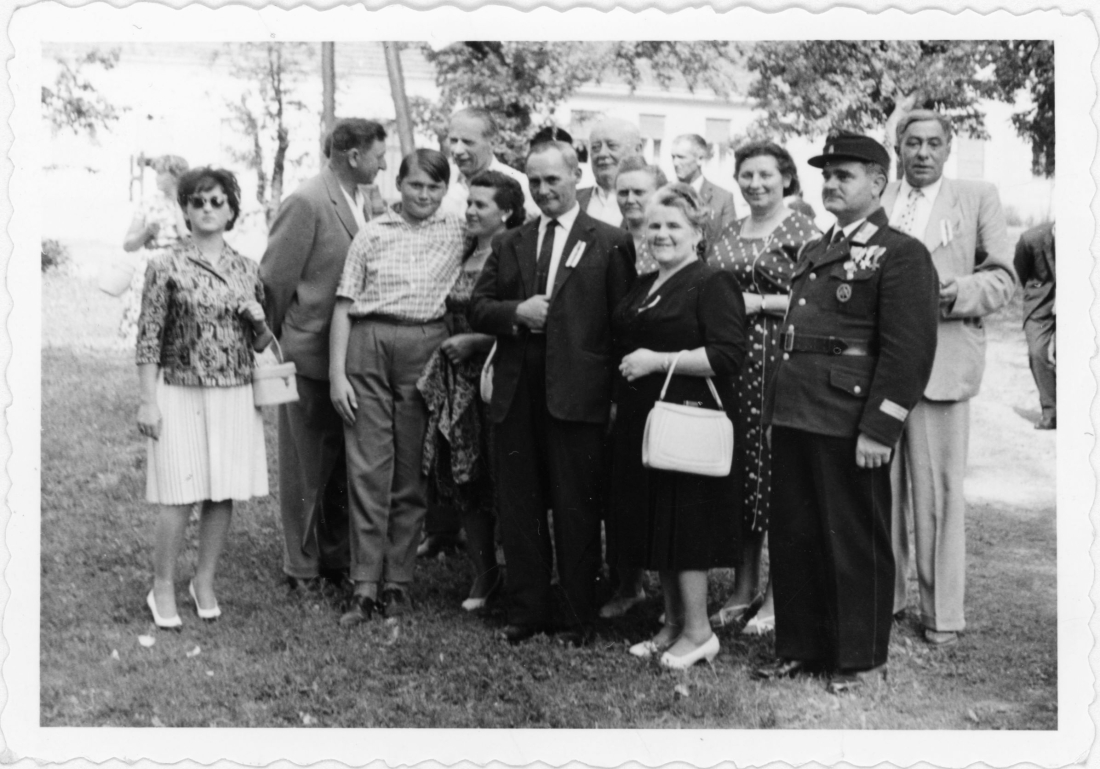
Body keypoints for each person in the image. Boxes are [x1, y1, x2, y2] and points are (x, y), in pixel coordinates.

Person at [754, 131, 938, 693]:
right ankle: (802, 646)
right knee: (795, 534)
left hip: (849, 416)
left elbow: (908, 351)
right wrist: (773, 414)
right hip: (797, 410)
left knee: (852, 538)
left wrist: (881, 426)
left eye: (845, 175)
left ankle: (859, 657)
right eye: (826, 175)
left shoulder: (902, 253)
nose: (830, 184)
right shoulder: (816, 247)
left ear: (878, 183)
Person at [468, 139, 636, 645]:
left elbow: (620, 325)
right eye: (534, 182)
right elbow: (479, 307)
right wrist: (515, 313)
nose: (543, 191)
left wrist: (611, 399)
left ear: (575, 175)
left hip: (578, 393)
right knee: (519, 503)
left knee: (575, 505)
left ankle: (577, 611)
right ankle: (527, 608)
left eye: (553, 180)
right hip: (518, 390)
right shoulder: (511, 242)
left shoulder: (609, 241)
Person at [883, 109, 1017, 646]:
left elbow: (1003, 277)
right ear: (897, 148)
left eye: (932, 143)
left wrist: (956, 293)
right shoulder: (882, 196)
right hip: (880, 366)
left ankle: (943, 614)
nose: (921, 153)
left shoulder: (977, 196)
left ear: (947, 147)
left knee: (939, 492)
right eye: (911, 143)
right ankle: (885, 600)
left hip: (944, 360)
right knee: (879, 491)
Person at [611, 184, 747, 668]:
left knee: (685, 527)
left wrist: (656, 361)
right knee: (659, 524)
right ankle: (671, 623)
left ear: (697, 232)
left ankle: (699, 631)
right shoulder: (648, 282)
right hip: (645, 422)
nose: (662, 234)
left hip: (687, 420)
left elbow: (728, 354)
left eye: (674, 226)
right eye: (655, 226)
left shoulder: (712, 282)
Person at [330, 149, 466, 624]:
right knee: (369, 466)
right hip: (368, 343)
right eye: (415, 185)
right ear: (399, 186)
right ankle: (364, 584)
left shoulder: (457, 229)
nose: (423, 195)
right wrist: (336, 375)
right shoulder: (372, 233)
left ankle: (398, 583)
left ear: (445, 190)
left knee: (413, 468)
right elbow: (345, 305)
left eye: (433, 187)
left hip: (425, 344)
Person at [136, 167, 274, 628]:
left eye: (217, 201)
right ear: (186, 211)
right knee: (178, 492)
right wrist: (147, 399)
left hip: (234, 391)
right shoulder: (165, 265)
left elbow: (261, 345)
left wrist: (258, 322)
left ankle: (204, 580)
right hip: (179, 388)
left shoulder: (247, 268)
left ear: (232, 210)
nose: (208, 209)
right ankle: (161, 586)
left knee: (222, 490)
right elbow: (149, 337)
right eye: (198, 202)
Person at [260, 118, 388, 598]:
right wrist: (275, 350)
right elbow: (274, 281)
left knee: (338, 465)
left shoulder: (364, 199)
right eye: (379, 154)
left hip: (349, 358)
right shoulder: (307, 200)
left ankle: (334, 555)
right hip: (307, 355)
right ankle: (301, 566)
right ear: (353, 156)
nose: (383, 163)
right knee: (304, 467)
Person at [706, 141, 819, 635]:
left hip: (777, 359)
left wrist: (758, 303)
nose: (755, 184)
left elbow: (812, 295)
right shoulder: (729, 229)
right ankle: (743, 585)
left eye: (766, 175)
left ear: (787, 179)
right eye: (747, 175)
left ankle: (778, 594)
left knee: (776, 474)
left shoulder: (803, 229)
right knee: (739, 473)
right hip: (731, 362)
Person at [417, 170, 526, 611]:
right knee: (465, 476)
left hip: (498, 375)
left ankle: (520, 574)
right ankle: (484, 576)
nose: (471, 211)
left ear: (508, 212)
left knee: (505, 478)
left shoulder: (516, 251)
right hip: (459, 380)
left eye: (481, 205)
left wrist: (478, 343)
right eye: (469, 203)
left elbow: (525, 321)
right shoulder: (464, 249)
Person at [594, 155, 667, 621]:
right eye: (623, 192)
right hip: (621, 377)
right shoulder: (610, 246)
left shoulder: (672, 241)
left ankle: (672, 590)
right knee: (621, 484)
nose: (631, 199)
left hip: (666, 375)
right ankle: (627, 580)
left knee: (664, 485)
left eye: (640, 191)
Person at [119, 155, 190, 347]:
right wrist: (146, 232)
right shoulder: (147, 203)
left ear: (176, 176)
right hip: (150, 265)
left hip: (181, 265)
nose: (156, 177)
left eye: (160, 173)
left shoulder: (191, 203)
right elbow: (128, 245)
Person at [438, 107, 539, 220]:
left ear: (494, 142)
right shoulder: (439, 182)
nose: (458, 150)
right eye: (453, 141)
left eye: (467, 142)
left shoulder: (521, 185)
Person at [1014, 220, 1056, 429]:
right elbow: (1020, 271)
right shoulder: (1031, 239)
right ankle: (1050, 412)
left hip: (1077, 302)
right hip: (1040, 304)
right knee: (1037, 353)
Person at [670, 134, 737, 252]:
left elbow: (728, 243)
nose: (675, 163)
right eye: (673, 157)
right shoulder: (665, 194)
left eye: (681, 157)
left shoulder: (723, 198)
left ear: (700, 159)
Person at [577, 117, 644, 227]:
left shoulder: (654, 202)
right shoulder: (572, 201)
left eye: (612, 146)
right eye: (595, 147)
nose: (602, 154)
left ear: (637, 150)